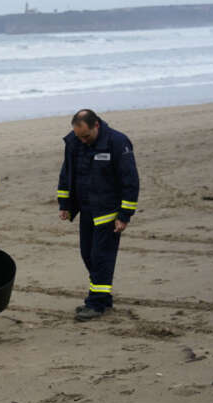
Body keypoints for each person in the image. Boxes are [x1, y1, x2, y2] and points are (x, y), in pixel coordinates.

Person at [57, 109, 140, 321]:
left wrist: (124, 215)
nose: (83, 140)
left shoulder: (117, 142)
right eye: (79, 136)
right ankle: (102, 297)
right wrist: (64, 204)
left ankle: (95, 304)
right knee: (87, 255)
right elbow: (67, 173)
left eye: (86, 136)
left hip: (108, 213)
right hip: (86, 210)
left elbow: (130, 181)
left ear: (96, 126)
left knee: (100, 257)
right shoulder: (74, 142)